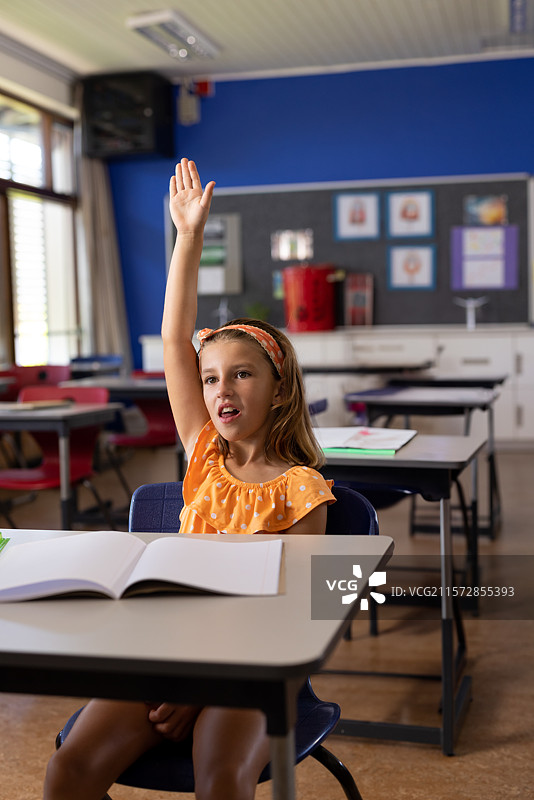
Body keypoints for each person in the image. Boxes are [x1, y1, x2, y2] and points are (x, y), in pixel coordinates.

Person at [43, 158, 335, 800]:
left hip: (254, 667)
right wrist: (188, 236)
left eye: (242, 374)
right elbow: (175, 338)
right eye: (210, 378)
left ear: (279, 387)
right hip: (168, 651)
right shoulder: (202, 451)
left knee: (221, 779)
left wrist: (203, 690)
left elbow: (296, 621)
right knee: (69, 767)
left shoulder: (302, 491)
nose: (221, 388)